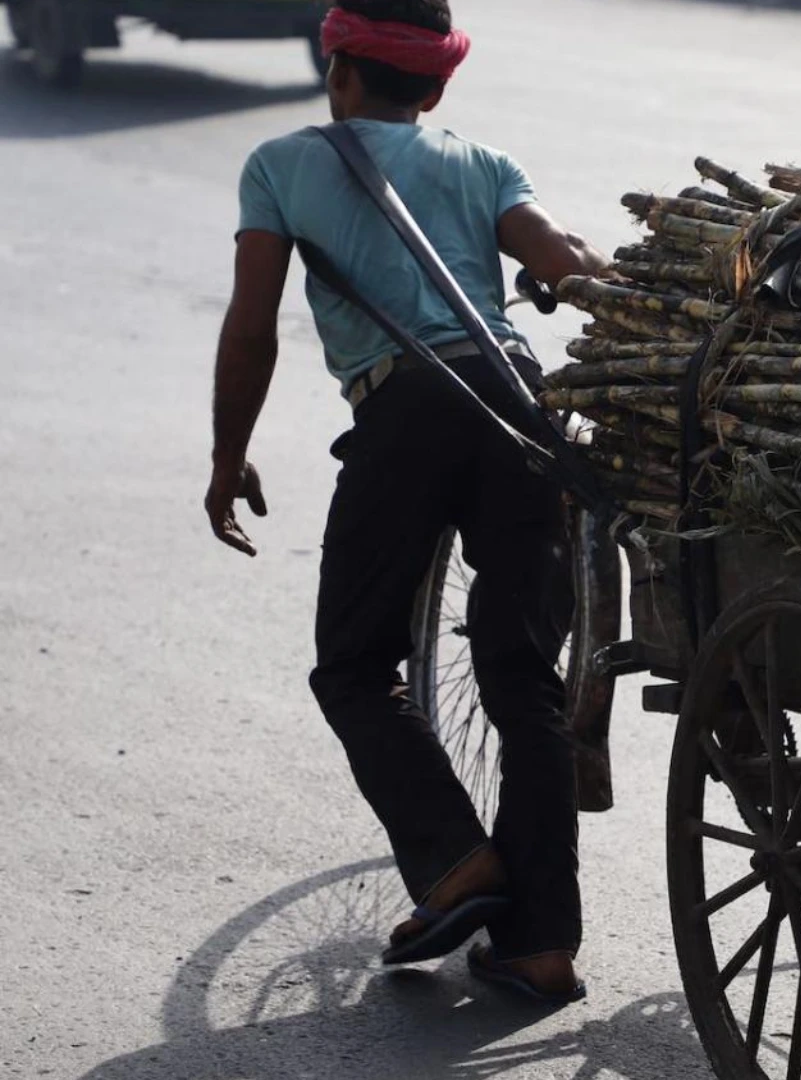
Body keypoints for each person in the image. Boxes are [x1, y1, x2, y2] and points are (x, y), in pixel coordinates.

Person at [203, 0, 611, 1004]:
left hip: (408, 408)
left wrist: (229, 454)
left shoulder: (283, 164)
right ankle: (540, 945)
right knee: (525, 680)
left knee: (351, 665)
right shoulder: (483, 165)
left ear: (337, 67)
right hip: (521, 404)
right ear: (437, 87)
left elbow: (252, 327)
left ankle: (453, 858)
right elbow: (568, 262)